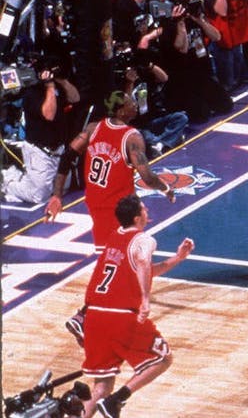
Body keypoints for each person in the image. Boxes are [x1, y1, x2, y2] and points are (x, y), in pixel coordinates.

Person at [45, 89, 174, 344]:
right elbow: (147, 176)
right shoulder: (132, 137)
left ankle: (97, 314)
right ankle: (84, 316)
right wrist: (166, 188)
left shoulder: (93, 129)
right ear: (120, 110)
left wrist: (57, 194)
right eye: (130, 104)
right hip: (120, 208)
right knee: (116, 263)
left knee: (115, 261)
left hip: (96, 203)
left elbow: (68, 155)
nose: (135, 106)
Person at [80, 194, 194, 418]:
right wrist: (144, 299)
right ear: (137, 217)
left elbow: (144, 270)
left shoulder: (114, 238)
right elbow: (142, 261)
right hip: (119, 316)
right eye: (143, 208)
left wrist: (178, 258)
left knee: (101, 387)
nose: (147, 210)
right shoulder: (144, 239)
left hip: (94, 317)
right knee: (163, 358)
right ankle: (116, 402)